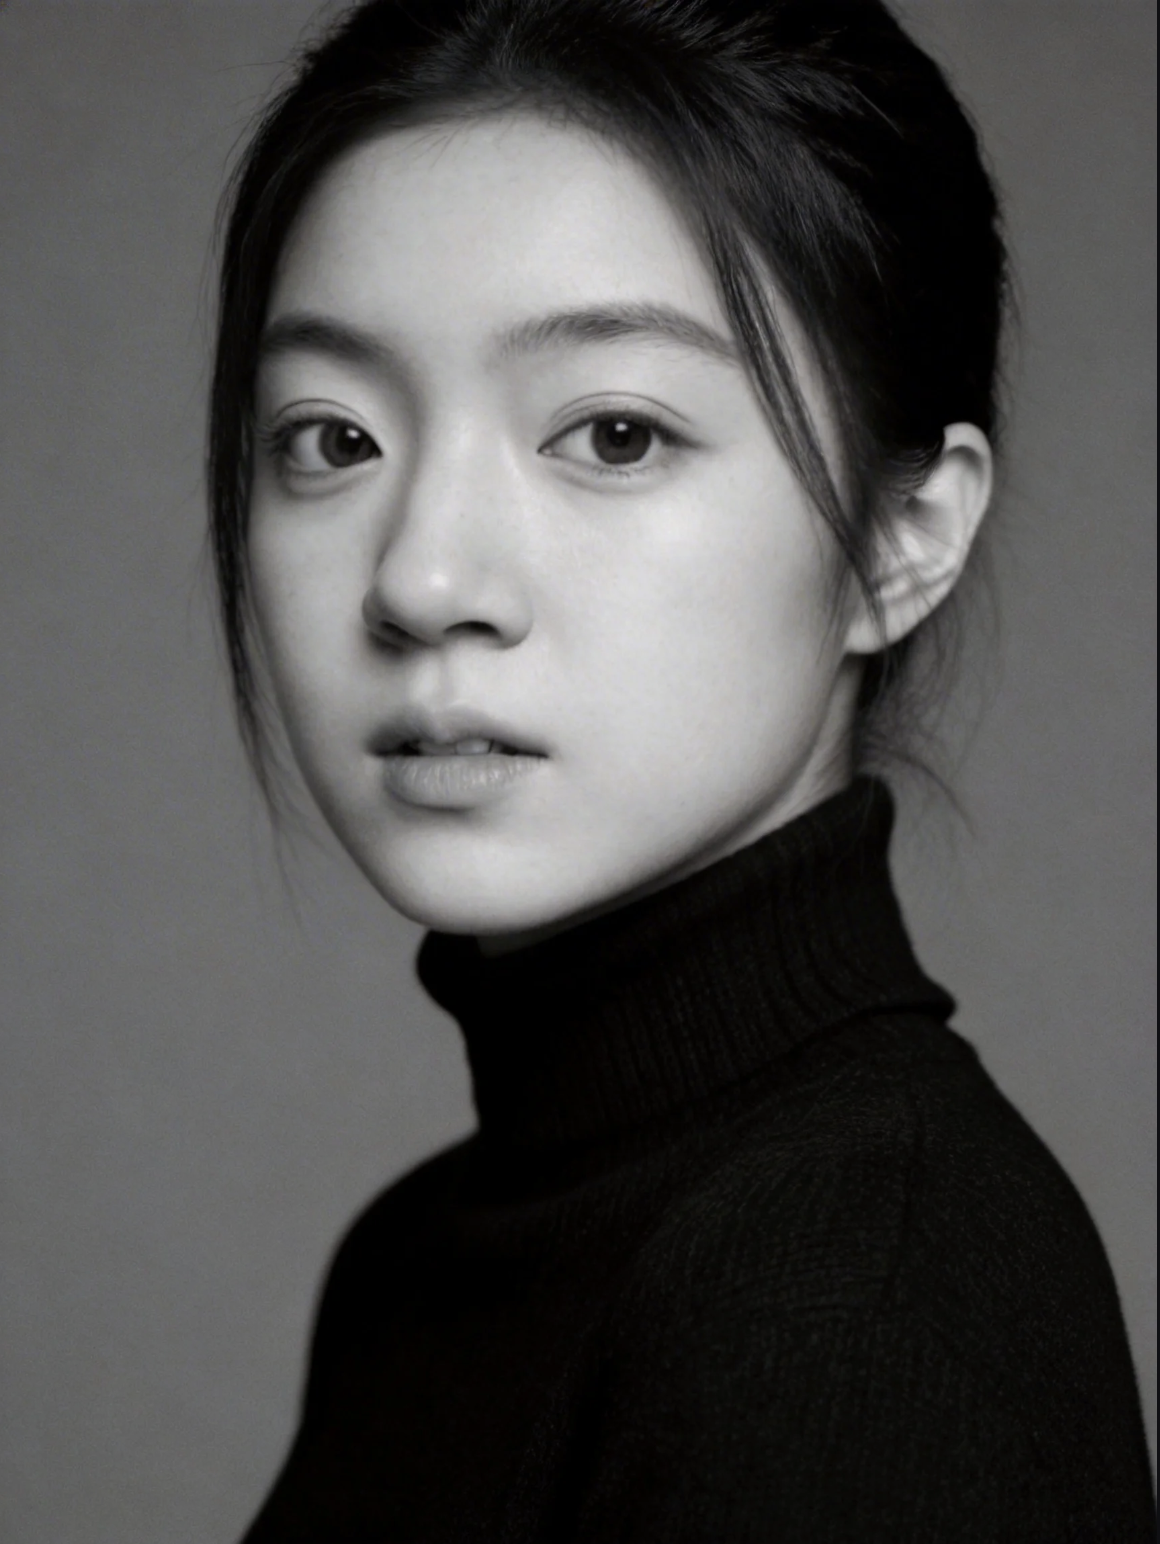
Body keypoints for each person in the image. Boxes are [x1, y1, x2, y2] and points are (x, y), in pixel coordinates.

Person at [207, 0, 1154, 1537]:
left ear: (902, 538)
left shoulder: (864, 1302)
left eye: (616, 436)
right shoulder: (416, 1260)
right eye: (333, 439)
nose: (424, 580)